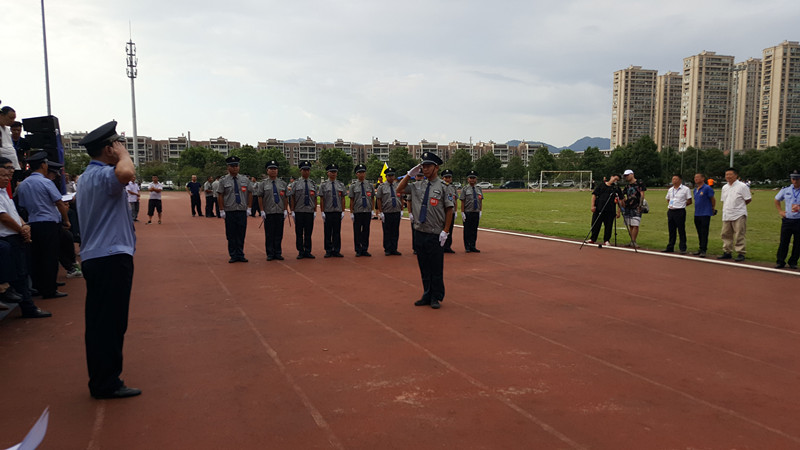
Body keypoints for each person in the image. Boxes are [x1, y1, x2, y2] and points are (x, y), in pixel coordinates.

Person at [76, 120, 140, 399]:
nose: (121, 148)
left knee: (101, 321)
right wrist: (124, 156)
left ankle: (103, 378)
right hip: (111, 257)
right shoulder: (104, 176)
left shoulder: (86, 177)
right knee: (110, 323)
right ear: (108, 149)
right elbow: (126, 172)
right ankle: (106, 382)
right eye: (117, 144)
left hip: (97, 257)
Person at [396, 152, 454, 310]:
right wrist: (409, 175)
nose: (425, 169)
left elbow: (449, 210)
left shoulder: (443, 187)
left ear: (436, 167)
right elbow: (399, 189)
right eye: (423, 166)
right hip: (420, 231)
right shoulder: (417, 185)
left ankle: (436, 296)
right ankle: (426, 293)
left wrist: (446, 231)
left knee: (436, 267)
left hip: (436, 233)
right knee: (424, 266)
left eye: (428, 166)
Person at [0, 157, 51, 318]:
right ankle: (26, 306)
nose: (9, 174)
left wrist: (23, 225)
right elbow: (3, 217)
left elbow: (13, 213)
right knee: (19, 275)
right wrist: (21, 230)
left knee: (22, 272)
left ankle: (27, 304)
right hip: (7, 237)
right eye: (6, 170)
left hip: (15, 235)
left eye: (11, 171)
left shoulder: (4, 191)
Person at [16, 151, 70, 299]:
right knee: (50, 256)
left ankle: (39, 286)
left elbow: (22, 205)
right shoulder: (46, 182)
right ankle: (50, 288)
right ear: (43, 165)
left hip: (33, 222)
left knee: (37, 256)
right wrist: (66, 220)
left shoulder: (23, 185)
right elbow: (58, 202)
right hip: (49, 222)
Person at [216, 156, 252, 263]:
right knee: (231, 234)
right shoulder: (223, 180)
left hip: (241, 210)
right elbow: (220, 195)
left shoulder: (245, 179)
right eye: (232, 166)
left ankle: (240, 254)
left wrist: (249, 208)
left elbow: (250, 193)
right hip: (230, 211)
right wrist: (221, 210)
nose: (235, 168)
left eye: (236, 166)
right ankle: (233, 254)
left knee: (241, 233)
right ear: (228, 168)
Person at [257, 160, 288, 261]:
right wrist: (262, 210)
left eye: (275, 169)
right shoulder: (263, 184)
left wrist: (285, 210)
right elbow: (260, 197)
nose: (273, 171)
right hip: (269, 212)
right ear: (267, 171)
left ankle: (278, 252)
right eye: (271, 169)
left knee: (279, 233)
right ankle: (270, 253)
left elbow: (286, 197)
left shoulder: (283, 183)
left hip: (279, 211)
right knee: (269, 234)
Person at [718, 167, 752, 262]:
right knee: (725, 234)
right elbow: (723, 200)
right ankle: (727, 251)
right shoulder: (725, 187)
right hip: (727, 213)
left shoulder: (742, 186)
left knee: (739, 234)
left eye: (730, 174)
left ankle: (740, 252)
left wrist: (739, 207)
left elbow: (748, 199)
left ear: (736, 175)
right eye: (726, 175)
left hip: (739, 213)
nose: (728, 176)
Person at [288, 160, 317, 259]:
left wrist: (315, 211)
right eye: (304, 170)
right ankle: (300, 251)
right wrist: (292, 211)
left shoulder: (313, 183)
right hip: (299, 211)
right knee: (299, 233)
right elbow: (292, 197)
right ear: (300, 171)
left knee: (308, 233)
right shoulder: (295, 184)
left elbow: (315, 198)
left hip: (309, 211)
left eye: (308, 170)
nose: (306, 172)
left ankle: (308, 251)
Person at [773, 169, 800, 269]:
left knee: (798, 243)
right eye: (793, 179)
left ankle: (793, 261)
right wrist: (780, 211)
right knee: (784, 241)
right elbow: (777, 199)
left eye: (797, 179)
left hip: (798, 220)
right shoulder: (786, 189)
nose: (795, 181)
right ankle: (780, 261)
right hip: (787, 220)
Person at [318, 163, 345, 258]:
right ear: (327, 173)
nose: (333, 174)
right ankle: (328, 250)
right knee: (328, 232)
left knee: (337, 232)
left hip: (337, 211)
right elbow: (321, 199)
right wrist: (322, 212)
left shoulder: (340, 185)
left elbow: (342, 198)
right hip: (328, 211)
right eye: (331, 172)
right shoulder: (324, 185)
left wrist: (343, 211)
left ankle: (336, 250)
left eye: (335, 172)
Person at [588, 174, 622, 246]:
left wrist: (618, 211)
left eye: (617, 180)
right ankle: (593, 238)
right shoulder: (601, 185)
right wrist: (592, 206)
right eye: (615, 178)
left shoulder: (616, 188)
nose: (615, 181)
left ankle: (606, 240)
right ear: (611, 177)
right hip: (599, 209)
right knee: (595, 224)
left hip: (610, 210)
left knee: (609, 226)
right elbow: (594, 195)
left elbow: (620, 200)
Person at [662, 174, 693, 254]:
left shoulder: (685, 189)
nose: (674, 181)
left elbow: (689, 201)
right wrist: (672, 205)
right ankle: (670, 246)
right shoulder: (670, 189)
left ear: (680, 180)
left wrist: (681, 205)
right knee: (671, 230)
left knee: (681, 230)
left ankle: (682, 248)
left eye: (675, 179)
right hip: (671, 211)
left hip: (680, 211)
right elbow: (668, 199)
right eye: (673, 179)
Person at [376, 167, 403, 256]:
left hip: (396, 211)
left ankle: (394, 248)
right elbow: (379, 199)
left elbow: (401, 197)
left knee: (395, 231)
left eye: (392, 175)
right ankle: (387, 248)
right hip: (387, 212)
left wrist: (402, 209)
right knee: (387, 231)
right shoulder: (382, 187)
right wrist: (381, 212)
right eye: (389, 176)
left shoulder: (398, 186)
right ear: (386, 177)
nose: (391, 177)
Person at [349, 164, 374, 256]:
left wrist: (372, 210)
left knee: (366, 231)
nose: (362, 174)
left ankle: (365, 249)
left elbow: (372, 198)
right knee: (357, 231)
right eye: (360, 172)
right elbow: (351, 199)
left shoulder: (370, 185)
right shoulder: (353, 186)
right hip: (357, 211)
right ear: (356, 174)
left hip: (367, 211)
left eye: (363, 172)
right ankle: (358, 249)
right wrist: (351, 212)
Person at [692, 173, 716, 257]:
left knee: (704, 232)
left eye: (698, 177)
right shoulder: (695, 190)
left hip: (705, 213)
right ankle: (700, 247)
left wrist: (712, 208)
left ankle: (703, 249)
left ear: (703, 178)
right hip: (697, 213)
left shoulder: (707, 188)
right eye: (695, 177)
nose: (696, 179)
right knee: (699, 232)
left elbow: (712, 199)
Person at [620, 169, 646, 248]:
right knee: (631, 224)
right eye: (625, 176)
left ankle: (634, 241)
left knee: (635, 224)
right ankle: (632, 240)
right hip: (628, 206)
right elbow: (622, 194)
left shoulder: (639, 183)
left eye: (627, 175)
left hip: (636, 206)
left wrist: (640, 205)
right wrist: (623, 202)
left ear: (632, 174)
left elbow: (642, 194)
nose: (626, 177)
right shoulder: (627, 186)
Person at [460, 170, 483, 253]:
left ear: (476, 179)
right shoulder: (465, 189)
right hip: (468, 212)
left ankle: (473, 246)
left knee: (474, 230)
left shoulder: (479, 189)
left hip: (476, 212)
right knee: (467, 230)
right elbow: (462, 201)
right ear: (468, 179)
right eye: (471, 178)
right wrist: (462, 212)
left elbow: (480, 200)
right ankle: (467, 246)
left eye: (474, 178)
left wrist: (480, 211)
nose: (472, 180)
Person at [0, 107, 21, 195]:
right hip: (3, 167)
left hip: (13, 166)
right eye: (10, 118)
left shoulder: (7, 130)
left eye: (14, 118)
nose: (12, 121)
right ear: (1, 116)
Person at [440, 169, 457, 253]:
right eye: (446, 177)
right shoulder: (440, 187)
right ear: (442, 178)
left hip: (451, 212)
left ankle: (448, 246)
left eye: (449, 177)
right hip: (443, 212)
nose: (448, 179)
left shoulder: (453, 187)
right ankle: (441, 246)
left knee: (450, 230)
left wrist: (456, 211)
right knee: (442, 229)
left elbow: (455, 200)